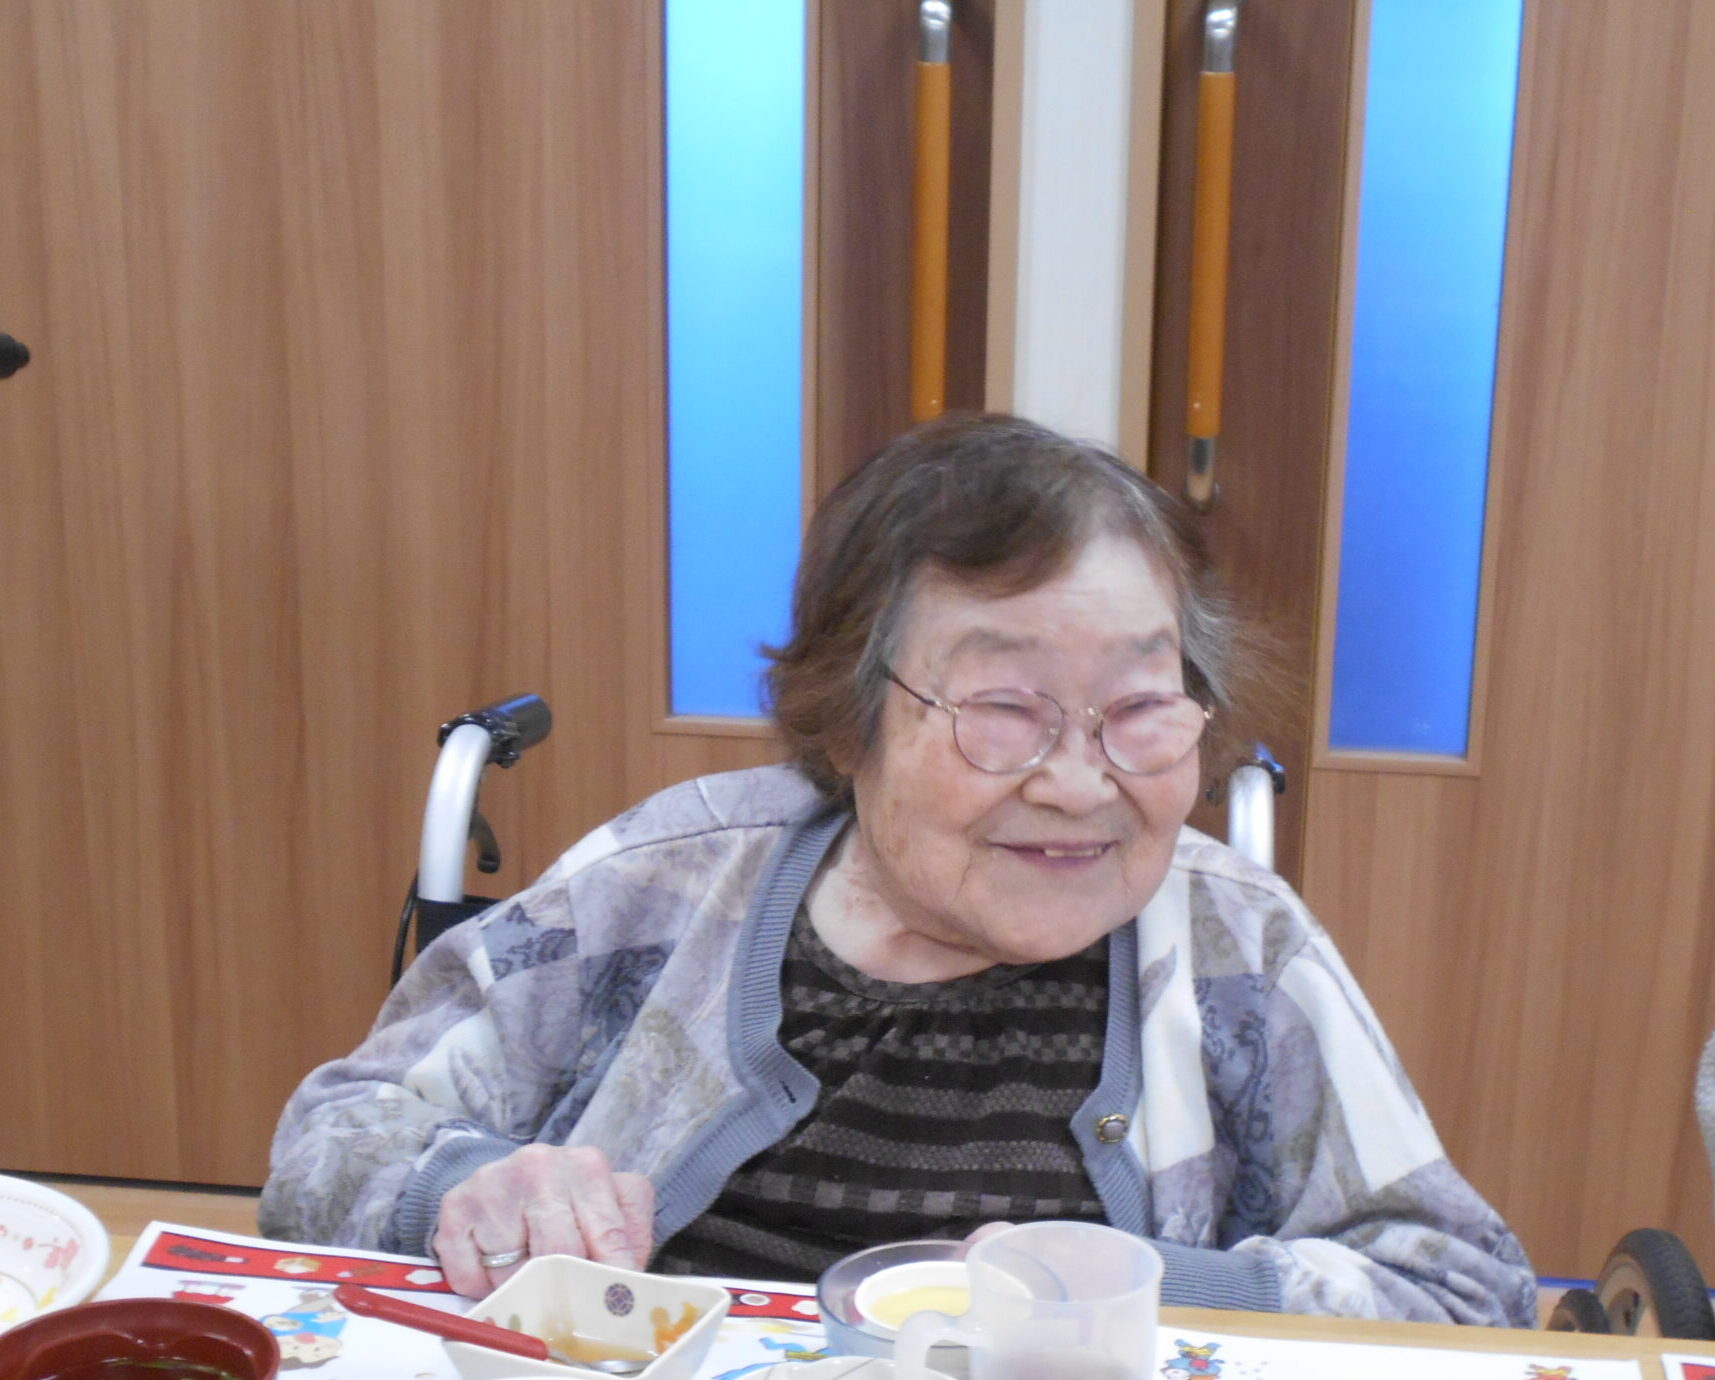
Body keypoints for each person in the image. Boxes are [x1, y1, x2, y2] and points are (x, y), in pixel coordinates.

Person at [260, 415, 1535, 1325]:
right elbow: (329, 1144)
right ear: (847, 720)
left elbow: (1462, 1289)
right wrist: (471, 1189)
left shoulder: (1232, 945)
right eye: (1002, 709)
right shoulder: (663, 886)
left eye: (1141, 707)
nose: (1078, 783)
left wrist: (1151, 1291)